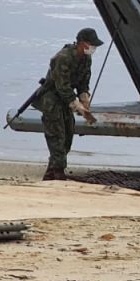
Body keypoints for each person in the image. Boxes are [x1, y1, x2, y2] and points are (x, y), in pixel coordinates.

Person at [35, 27, 104, 180]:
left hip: (66, 99)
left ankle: (51, 172)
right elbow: (62, 86)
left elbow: (83, 82)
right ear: (83, 43)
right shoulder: (63, 58)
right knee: (56, 135)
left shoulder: (86, 59)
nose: (93, 48)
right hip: (52, 99)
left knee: (67, 135)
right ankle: (58, 172)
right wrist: (76, 105)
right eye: (92, 45)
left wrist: (84, 98)